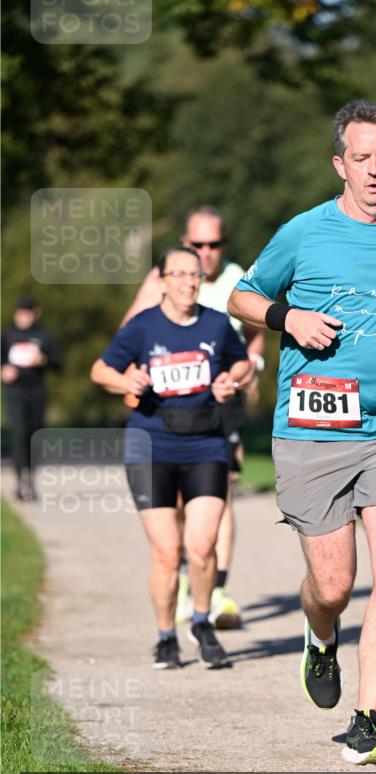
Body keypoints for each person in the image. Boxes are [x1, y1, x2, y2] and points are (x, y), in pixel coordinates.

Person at [228, 100, 376, 765]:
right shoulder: (303, 232)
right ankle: (320, 634)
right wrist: (287, 318)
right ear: (339, 163)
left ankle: (366, 723)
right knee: (333, 586)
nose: (373, 169)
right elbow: (240, 296)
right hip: (310, 429)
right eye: (360, 158)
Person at [91, 246, 254, 670]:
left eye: (195, 275)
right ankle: (165, 637)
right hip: (151, 447)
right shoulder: (142, 328)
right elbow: (100, 370)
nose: (188, 282)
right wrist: (126, 378)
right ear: (162, 280)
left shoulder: (217, 324)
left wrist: (229, 381)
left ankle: (201, 623)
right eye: (178, 274)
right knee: (167, 553)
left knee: (200, 549)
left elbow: (243, 367)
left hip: (205, 445)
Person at [121, 206, 265, 631]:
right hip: (169, 402)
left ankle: (216, 586)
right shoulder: (161, 278)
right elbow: (129, 330)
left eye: (214, 244)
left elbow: (256, 330)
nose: (206, 253)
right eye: (197, 244)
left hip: (223, 396)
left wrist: (250, 366)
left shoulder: (241, 276)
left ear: (224, 244)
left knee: (221, 493)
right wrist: (133, 375)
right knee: (179, 502)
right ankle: (184, 574)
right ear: (185, 243)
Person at [1, 296, 61, 501]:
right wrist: (4, 370)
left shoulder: (45, 335)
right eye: (20, 312)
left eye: (28, 313)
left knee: (34, 435)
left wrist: (42, 360)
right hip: (15, 392)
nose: (24, 317)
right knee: (18, 433)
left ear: (35, 313)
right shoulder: (8, 334)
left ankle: (31, 481)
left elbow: (58, 363)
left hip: (37, 392)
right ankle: (19, 482)